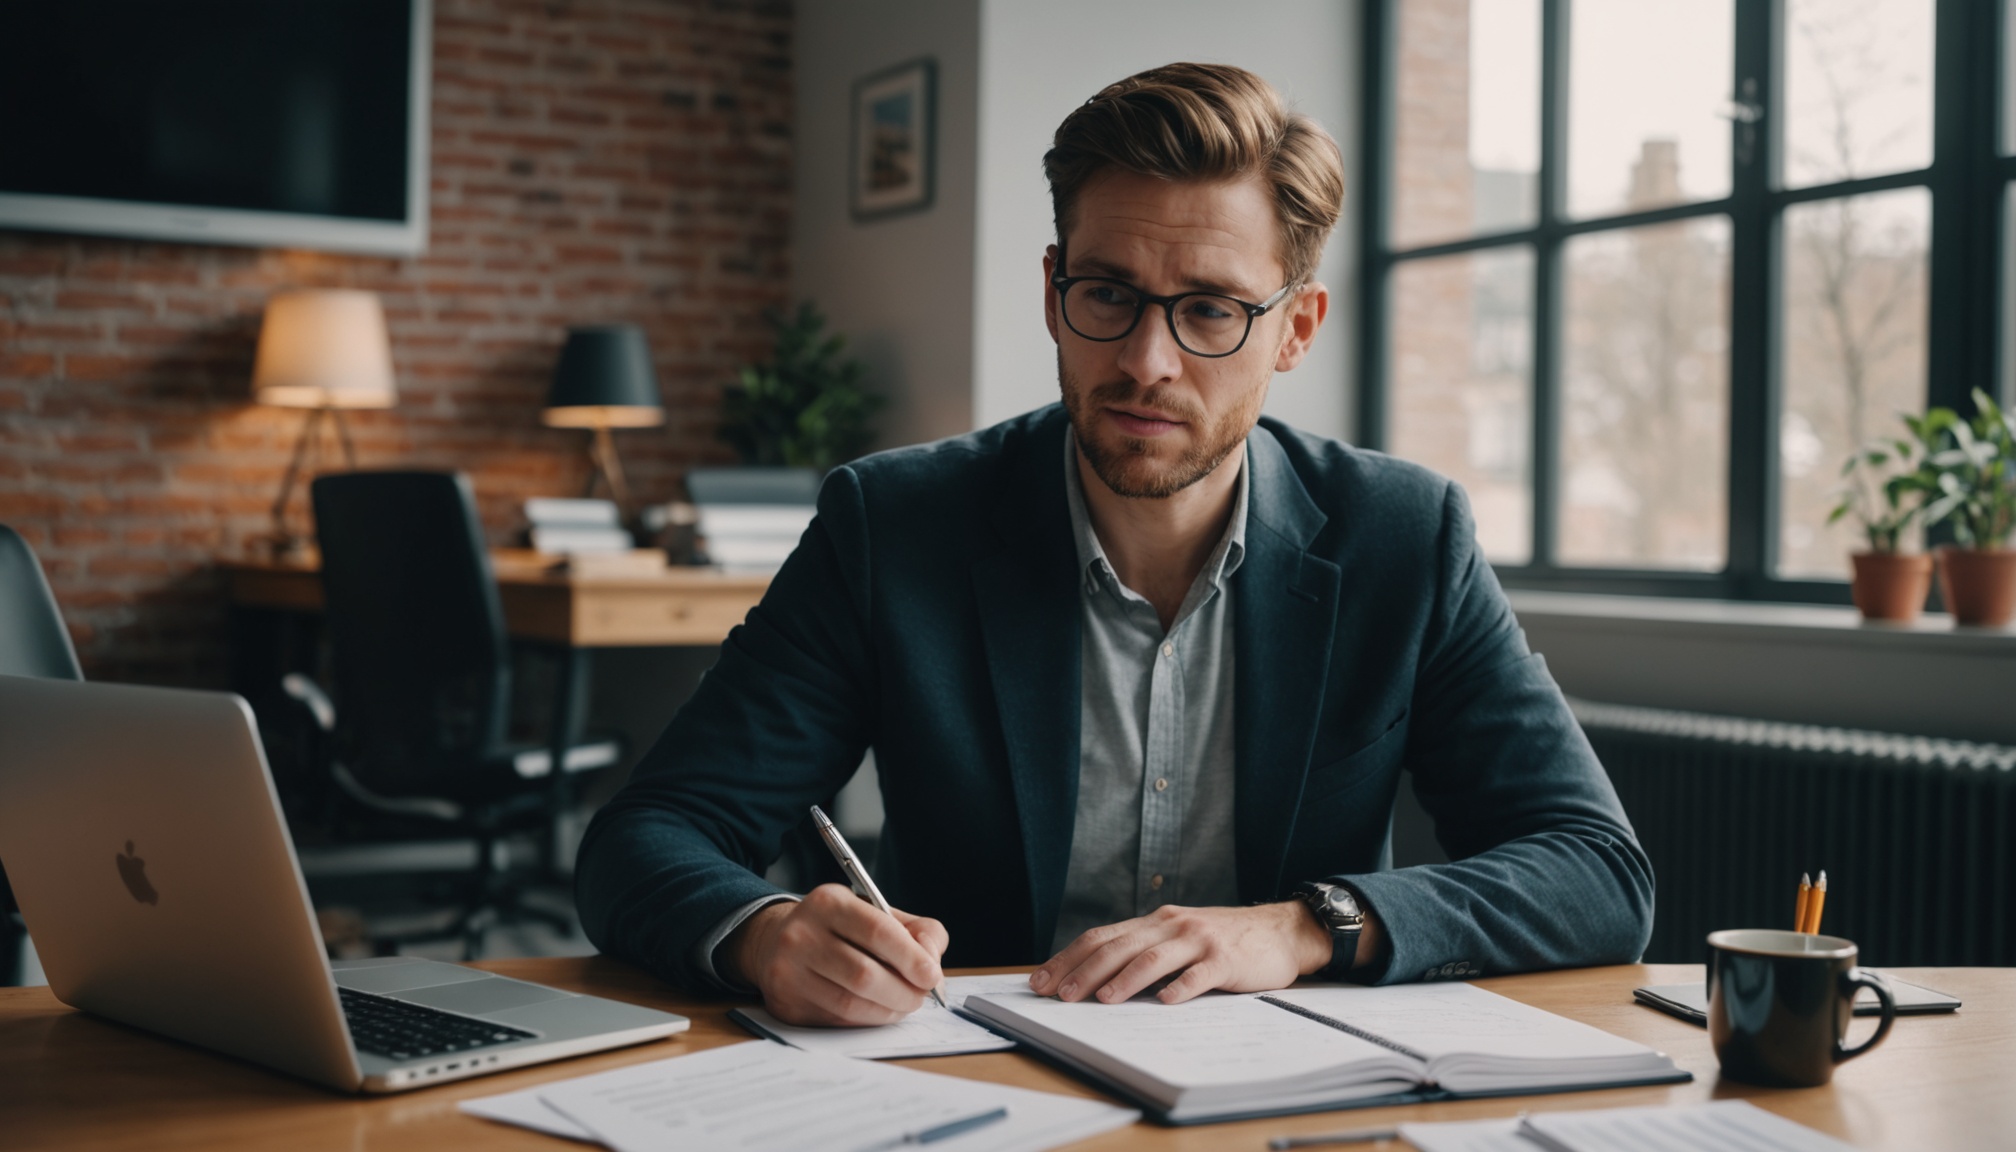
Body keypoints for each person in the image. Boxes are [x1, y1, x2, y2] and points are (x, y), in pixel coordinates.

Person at [577, 62, 1652, 1027]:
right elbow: (646, 839)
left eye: (1211, 311)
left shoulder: (1405, 537)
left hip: (1291, 1096)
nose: (1147, 361)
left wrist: (1302, 928)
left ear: (1297, 329)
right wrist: (766, 933)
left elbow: (1596, 872)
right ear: (1054, 293)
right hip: (974, 1084)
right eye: (1108, 295)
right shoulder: (892, 527)